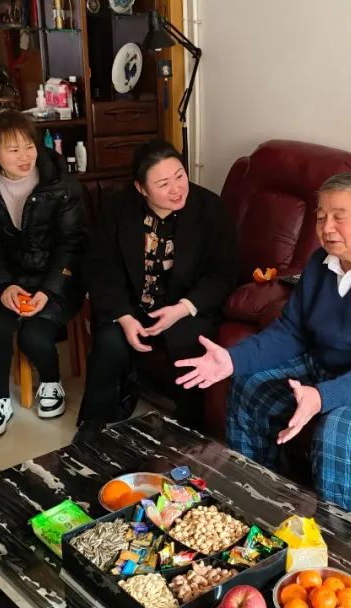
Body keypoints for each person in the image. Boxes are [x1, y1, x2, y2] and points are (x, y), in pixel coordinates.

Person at [174, 172, 351, 523]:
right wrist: (232, 359)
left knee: (344, 431)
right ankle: (255, 504)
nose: (327, 227)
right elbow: (292, 330)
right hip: (339, 363)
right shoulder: (321, 262)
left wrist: (322, 396)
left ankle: (345, 543)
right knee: (250, 385)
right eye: (321, 217)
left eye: (339, 216)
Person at [76, 139, 237, 433]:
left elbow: (223, 273)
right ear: (141, 188)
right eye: (163, 184)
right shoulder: (118, 208)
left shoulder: (210, 208)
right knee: (110, 341)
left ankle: (191, 430)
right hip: (132, 304)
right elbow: (100, 267)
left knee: (188, 340)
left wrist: (183, 308)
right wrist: (124, 316)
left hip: (185, 306)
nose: (176, 189)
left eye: (179, 176)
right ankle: (93, 426)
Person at [0, 111, 87, 437]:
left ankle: (51, 381)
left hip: (58, 277)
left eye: (29, 146)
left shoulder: (60, 184)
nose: (25, 156)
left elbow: (73, 244)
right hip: (9, 278)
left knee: (34, 335)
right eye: (13, 149)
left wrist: (48, 290)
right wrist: (3, 286)